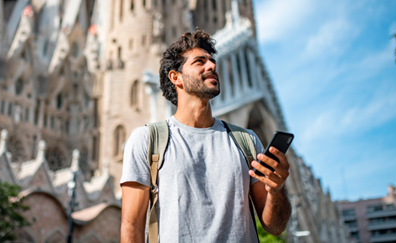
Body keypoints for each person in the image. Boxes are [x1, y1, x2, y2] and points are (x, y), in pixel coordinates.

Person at [120, 30, 291, 243]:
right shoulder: (147, 140)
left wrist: (276, 190)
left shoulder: (246, 140)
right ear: (176, 77)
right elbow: (132, 226)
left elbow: (275, 226)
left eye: (212, 61)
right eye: (199, 62)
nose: (211, 66)